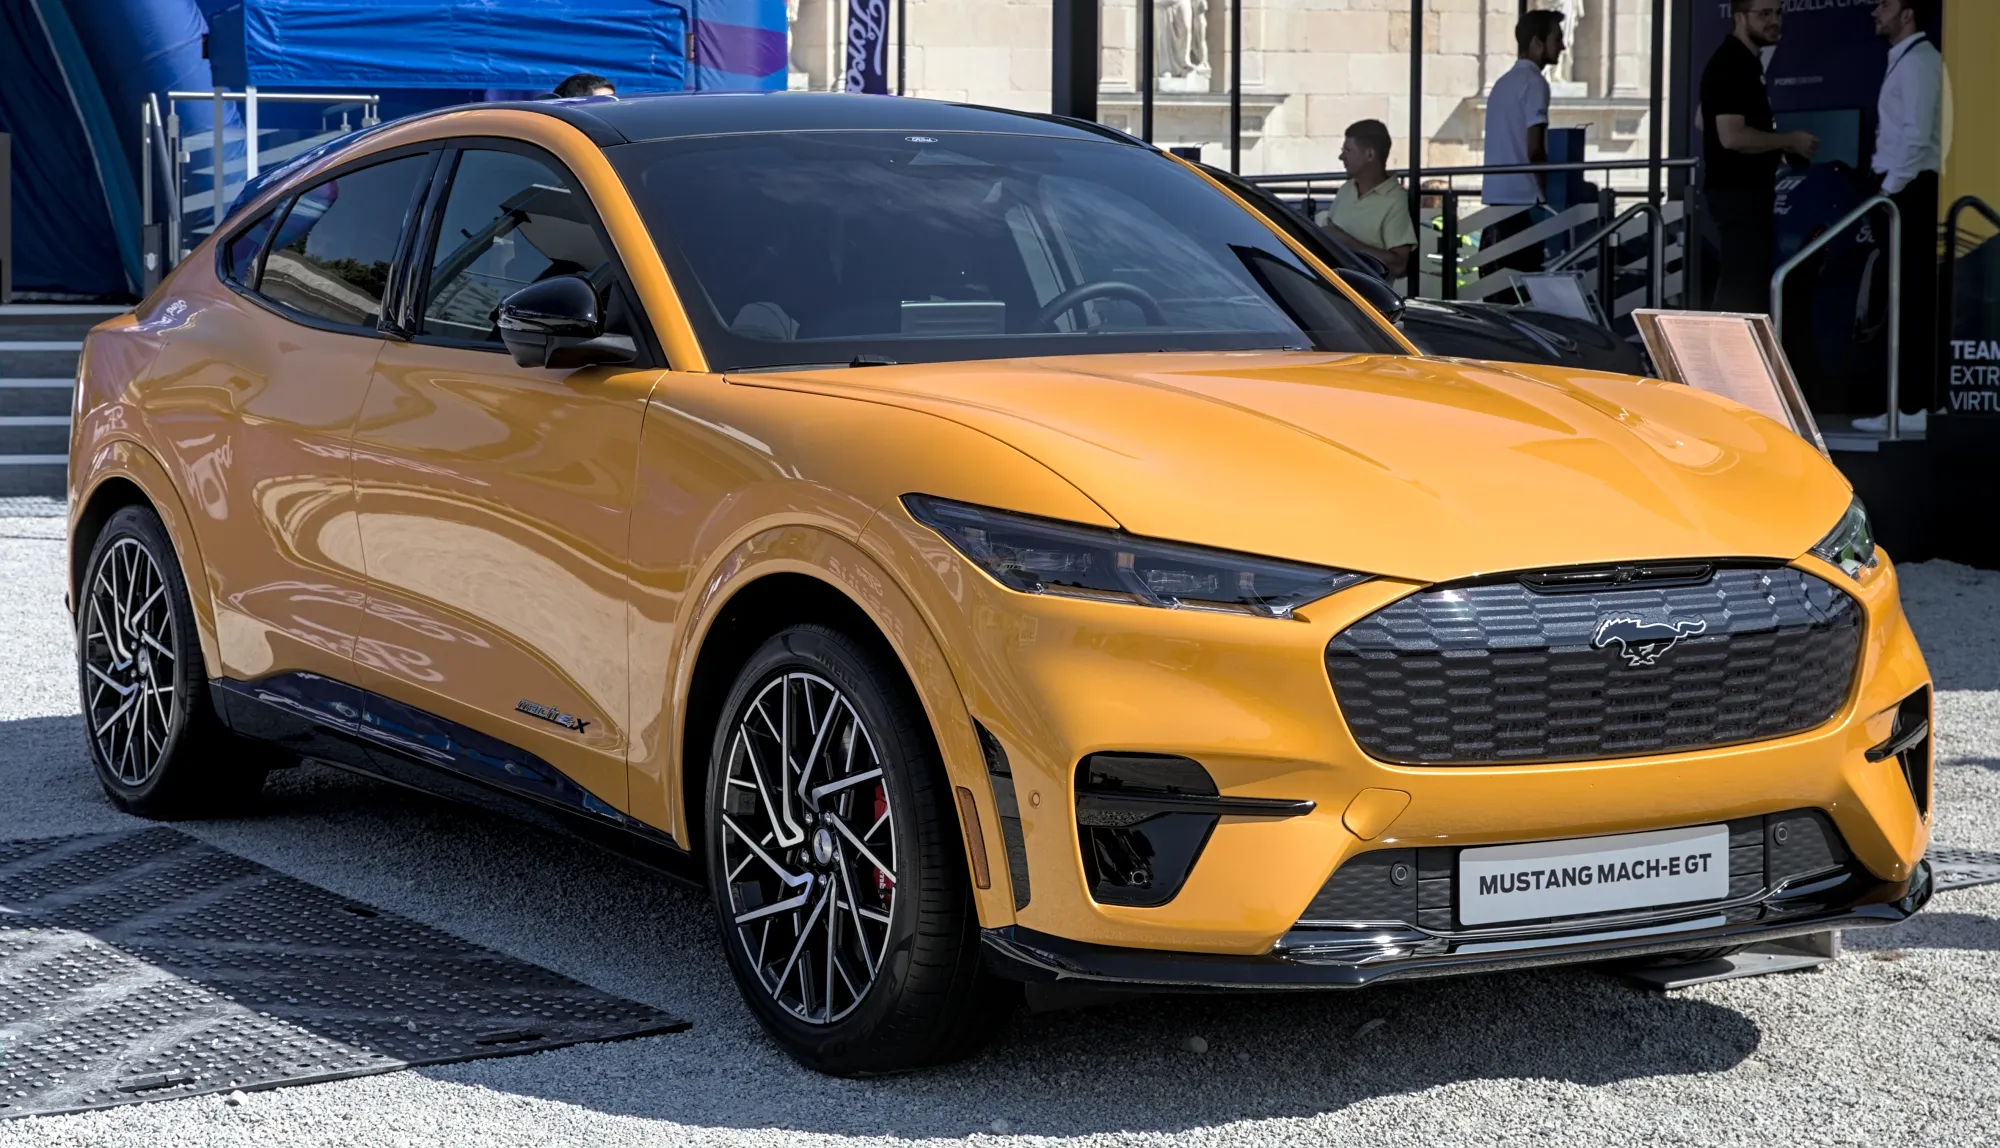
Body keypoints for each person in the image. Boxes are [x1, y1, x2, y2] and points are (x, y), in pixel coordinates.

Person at [1853, 0, 1943, 434]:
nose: (1875, 10)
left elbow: (1916, 134)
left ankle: (1914, 405)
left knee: (1910, 298)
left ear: (1907, 13)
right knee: (1898, 298)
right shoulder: (1907, 60)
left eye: (1885, 4)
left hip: (1908, 191)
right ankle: (1902, 404)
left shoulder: (1921, 61)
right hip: (1897, 188)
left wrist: (1888, 190)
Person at [1698, 0, 1817, 313]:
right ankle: (1719, 360)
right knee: (1741, 291)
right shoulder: (1731, 63)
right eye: (1764, 14)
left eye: (1778, 13)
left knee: (1746, 286)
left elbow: (1703, 119)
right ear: (1739, 17)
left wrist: (1769, 148)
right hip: (1738, 195)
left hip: (1746, 192)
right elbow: (1732, 135)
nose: (1774, 21)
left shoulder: (1746, 63)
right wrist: (1788, 141)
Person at [1479, 10, 1564, 282]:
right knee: (1528, 284)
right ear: (1537, 43)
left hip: (1496, 199)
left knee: (1499, 287)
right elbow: (1535, 147)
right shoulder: (1535, 83)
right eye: (1557, 38)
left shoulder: (1501, 85)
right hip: (1524, 202)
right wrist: (1547, 192)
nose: (1562, 46)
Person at [1321, 120, 1417, 280]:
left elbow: (1399, 265)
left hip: (1366, 298)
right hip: (1331, 289)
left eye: (1348, 150)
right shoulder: (1346, 189)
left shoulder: (1395, 200)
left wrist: (1346, 241)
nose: (1341, 156)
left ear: (1370, 155)